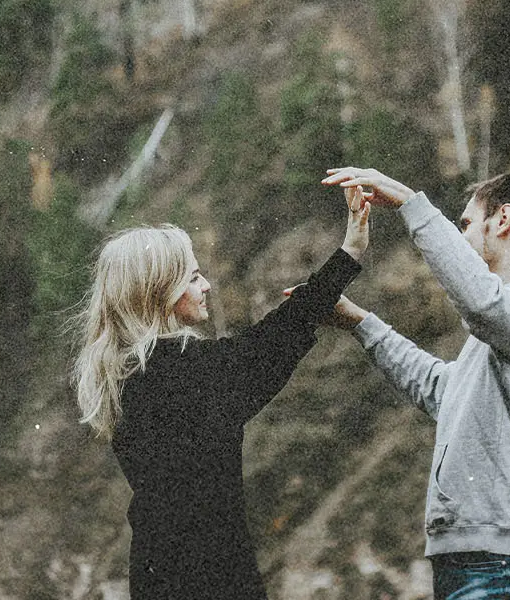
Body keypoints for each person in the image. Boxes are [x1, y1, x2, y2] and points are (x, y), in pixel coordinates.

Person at [71, 186, 370, 600]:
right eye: (193, 277)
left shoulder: (125, 374)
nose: (207, 285)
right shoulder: (177, 370)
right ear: (161, 292)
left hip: (158, 571)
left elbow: (258, 350)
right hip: (208, 574)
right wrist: (349, 253)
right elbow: (268, 346)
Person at [319, 166, 510, 600]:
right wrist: (358, 322)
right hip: (479, 558)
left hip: (503, 564)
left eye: (464, 225)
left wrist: (410, 202)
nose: (459, 239)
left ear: (502, 220)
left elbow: (481, 301)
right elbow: (439, 389)